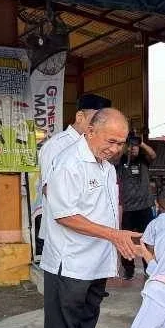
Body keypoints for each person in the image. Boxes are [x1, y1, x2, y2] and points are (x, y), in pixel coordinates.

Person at [41, 108, 140, 328]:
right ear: (90, 131)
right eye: (111, 141)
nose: (115, 149)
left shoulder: (107, 168)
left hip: (97, 261)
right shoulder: (69, 163)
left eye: (120, 144)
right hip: (69, 262)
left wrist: (118, 240)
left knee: (85, 323)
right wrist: (114, 234)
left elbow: (107, 210)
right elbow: (65, 214)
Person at [33, 93, 111, 259]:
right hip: (65, 241)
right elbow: (50, 191)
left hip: (92, 238)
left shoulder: (97, 147)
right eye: (96, 120)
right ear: (80, 116)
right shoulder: (57, 145)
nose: (100, 126)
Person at [118, 131, 157, 279]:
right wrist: (126, 147)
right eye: (131, 146)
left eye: (135, 146)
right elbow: (115, 157)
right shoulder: (121, 161)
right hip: (129, 208)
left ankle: (149, 268)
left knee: (147, 240)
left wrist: (141, 144)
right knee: (126, 240)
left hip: (145, 207)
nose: (133, 148)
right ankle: (128, 269)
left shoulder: (144, 160)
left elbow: (153, 155)